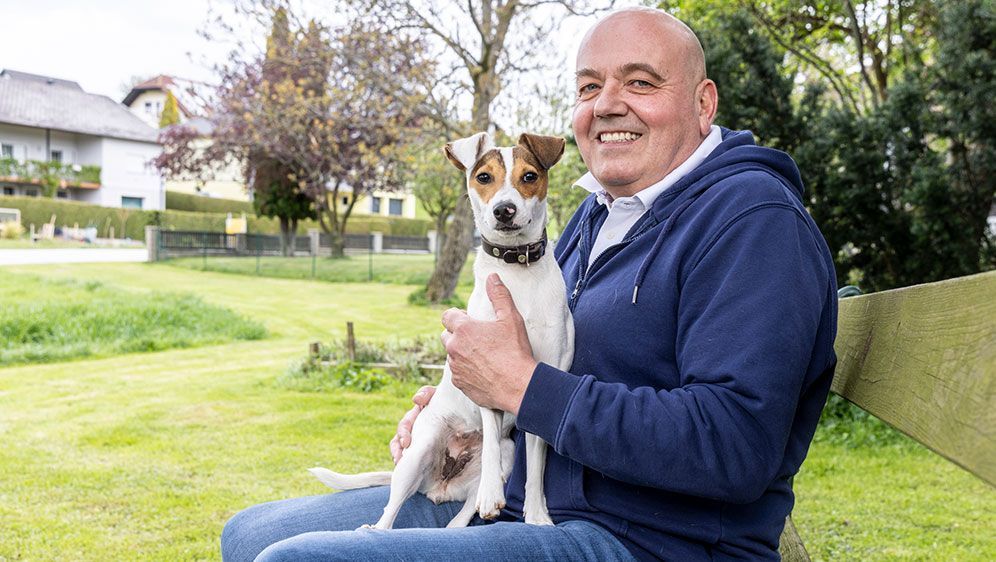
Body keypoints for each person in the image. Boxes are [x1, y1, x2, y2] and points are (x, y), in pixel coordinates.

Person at [221, 7, 837, 561]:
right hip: (522, 495)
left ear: (704, 104)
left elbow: (733, 444)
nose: (607, 104)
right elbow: (542, 364)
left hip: (644, 538)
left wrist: (521, 386)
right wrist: (460, 409)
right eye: (589, 87)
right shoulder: (598, 218)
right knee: (246, 534)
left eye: (641, 82)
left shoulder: (754, 223)